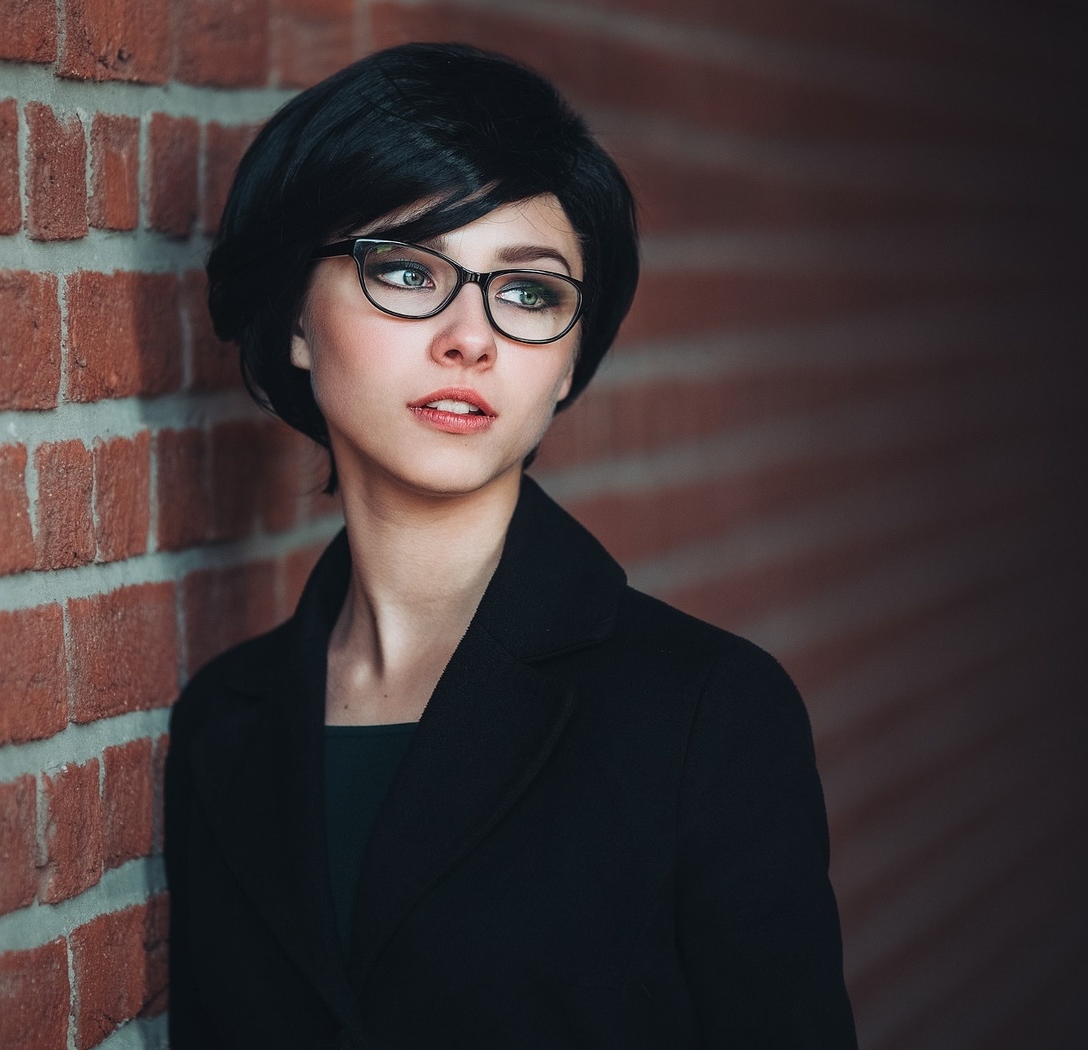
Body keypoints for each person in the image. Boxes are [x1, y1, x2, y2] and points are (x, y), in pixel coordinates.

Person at [164, 42, 859, 1048]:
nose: (470, 336)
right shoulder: (226, 726)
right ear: (297, 324)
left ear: (570, 363)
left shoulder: (705, 712)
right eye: (406, 270)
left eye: (529, 293)